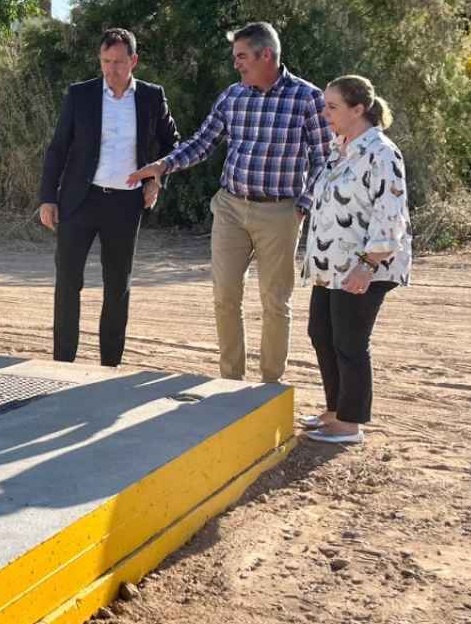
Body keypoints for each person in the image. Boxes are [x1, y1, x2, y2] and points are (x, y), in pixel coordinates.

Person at [126, 22, 331, 383]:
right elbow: (202, 142)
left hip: (281, 212)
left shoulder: (308, 98)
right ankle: (229, 382)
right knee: (224, 297)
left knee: (275, 303)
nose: (236, 64)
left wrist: (303, 204)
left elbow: (325, 157)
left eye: (241, 56)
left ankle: (269, 387)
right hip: (231, 207)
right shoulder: (232, 97)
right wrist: (163, 164)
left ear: (265, 55)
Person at [38, 28, 181, 366]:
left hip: (125, 204)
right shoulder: (81, 95)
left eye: (118, 62)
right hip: (79, 201)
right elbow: (58, 148)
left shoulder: (151, 96)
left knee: (118, 286)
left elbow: (173, 146)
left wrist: (157, 178)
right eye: (105, 61)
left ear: (134, 61)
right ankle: (62, 362)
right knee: (68, 282)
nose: (111, 69)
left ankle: (110, 365)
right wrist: (48, 197)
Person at [298, 75, 412, 445]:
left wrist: (367, 264)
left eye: (332, 106)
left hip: (363, 266)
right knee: (322, 334)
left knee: (349, 341)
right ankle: (334, 411)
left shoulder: (382, 152)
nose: (324, 112)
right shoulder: (340, 147)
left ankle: (350, 424)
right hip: (330, 265)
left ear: (358, 109)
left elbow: (390, 213)